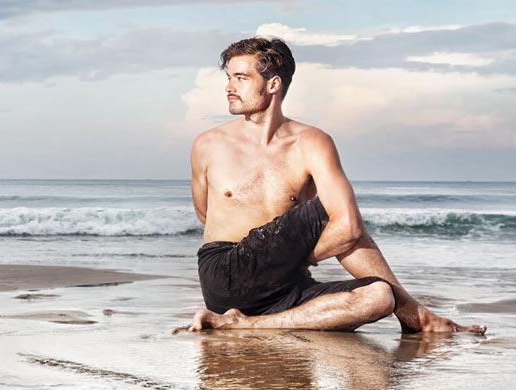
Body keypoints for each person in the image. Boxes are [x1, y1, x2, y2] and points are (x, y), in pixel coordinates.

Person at [188, 37, 485, 334]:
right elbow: (206, 215)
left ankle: (248, 325)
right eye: (229, 78)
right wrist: (290, 256)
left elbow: (349, 230)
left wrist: (287, 261)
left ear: (273, 84)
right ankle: (418, 317)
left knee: (379, 297)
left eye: (241, 78)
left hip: (285, 286)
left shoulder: (311, 143)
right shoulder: (208, 145)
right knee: (328, 212)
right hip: (227, 274)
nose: (229, 87)